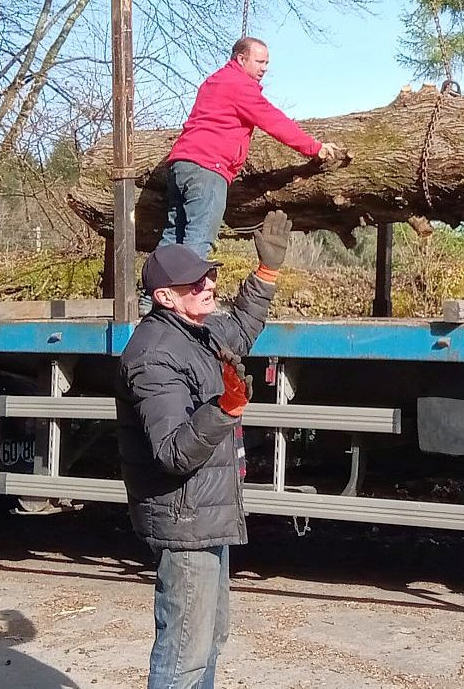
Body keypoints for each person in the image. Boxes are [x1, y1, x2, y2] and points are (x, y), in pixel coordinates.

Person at [117, 210, 291, 689]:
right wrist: (225, 407)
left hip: (207, 514)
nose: (209, 284)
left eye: (209, 274)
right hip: (185, 521)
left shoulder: (197, 330)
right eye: (195, 283)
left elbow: (240, 328)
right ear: (165, 297)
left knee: (208, 643)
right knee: (183, 657)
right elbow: (173, 451)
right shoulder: (154, 354)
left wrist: (266, 272)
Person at [160, 36, 347, 257]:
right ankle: (187, 288)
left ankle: (152, 291)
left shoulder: (215, 81)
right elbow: (273, 121)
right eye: (260, 62)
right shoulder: (239, 86)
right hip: (208, 167)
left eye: (267, 63)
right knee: (198, 241)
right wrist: (314, 147)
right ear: (241, 59)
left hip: (181, 165)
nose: (265, 68)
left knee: (172, 237)